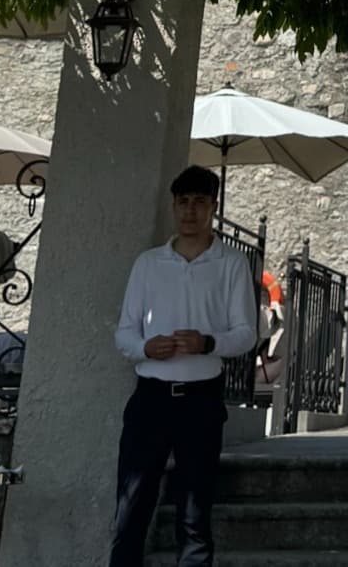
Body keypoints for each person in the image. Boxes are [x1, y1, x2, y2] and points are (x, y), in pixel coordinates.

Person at [110, 165, 258, 567]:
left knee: (194, 515)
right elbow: (123, 333)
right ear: (174, 206)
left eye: (199, 202)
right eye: (183, 202)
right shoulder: (148, 263)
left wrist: (207, 342)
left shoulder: (231, 264)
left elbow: (247, 334)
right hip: (151, 398)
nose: (190, 211)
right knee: (131, 507)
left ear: (213, 207)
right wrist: (146, 347)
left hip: (201, 401)